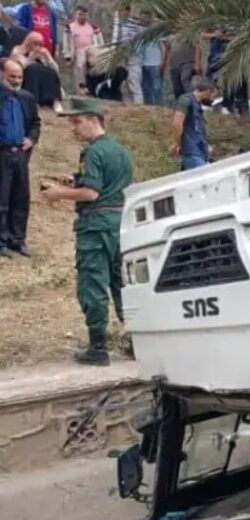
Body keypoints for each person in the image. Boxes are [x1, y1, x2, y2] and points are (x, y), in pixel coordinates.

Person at [41, 99, 133, 366]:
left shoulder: (92, 152)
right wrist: (75, 180)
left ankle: (98, 347)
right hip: (119, 224)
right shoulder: (120, 151)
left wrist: (59, 195)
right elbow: (110, 184)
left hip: (95, 226)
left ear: (94, 120)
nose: (73, 127)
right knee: (122, 284)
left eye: (77, 121)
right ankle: (138, 339)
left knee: (92, 284)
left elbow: (91, 193)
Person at [0, 58, 40, 259]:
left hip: (21, 155)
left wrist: (32, 139)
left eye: (19, 77)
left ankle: (18, 240)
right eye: (12, 76)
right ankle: (2, 241)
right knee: (2, 199)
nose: (16, 81)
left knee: (21, 198)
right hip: (2, 153)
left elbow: (35, 123)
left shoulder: (27, 98)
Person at [171, 76, 216, 170]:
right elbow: (177, 122)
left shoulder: (197, 105)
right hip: (192, 152)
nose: (213, 99)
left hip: (199, 152)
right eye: (213, 96)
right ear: (208, 91)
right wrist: (176, 143)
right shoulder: (186, 100)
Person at [10, 31, 61, 109]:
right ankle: (34, 101)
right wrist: (31, 58)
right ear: (28, 42)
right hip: (26, 78)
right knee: (33, 68)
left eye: (40, 44)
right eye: (35, 43)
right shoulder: (18, 50)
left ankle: (55, 101)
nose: (38, 47)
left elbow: (56, 69)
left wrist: (48, 58)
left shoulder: (43, 53)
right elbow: (20, 67)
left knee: (51, 71)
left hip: (43, 82)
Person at [203, 28, 248, 116]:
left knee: (230, 81)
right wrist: (215, 35)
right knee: (210, 79)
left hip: (232, 55)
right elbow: (203, 35)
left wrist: (228, 37)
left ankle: (227, 106)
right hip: (215, 55)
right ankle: (206, 103)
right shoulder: (213, 21)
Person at [62, 6, 103, 96]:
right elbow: (66, 43)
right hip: (78, 50)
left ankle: (94, 87)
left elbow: (99, 40)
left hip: (91, 50)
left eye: (84, 15)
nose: (82, 17)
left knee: (95, 66)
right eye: (80, 14)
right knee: (80, 64)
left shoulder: (92, 27)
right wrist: (67, 55)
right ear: (76, 15)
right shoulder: (70, 27)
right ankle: (82, 87)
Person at [113, 7, 145, 104]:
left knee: (134, 85)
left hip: (134, 60)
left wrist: (126, 54)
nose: (121, 13)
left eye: (123, 11)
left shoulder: (133, 25)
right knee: (124, 86)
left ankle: (139, 107)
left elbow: (131, 43)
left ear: (127, 11)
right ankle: (129, 107)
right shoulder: (121, 25)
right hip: (124, 61)